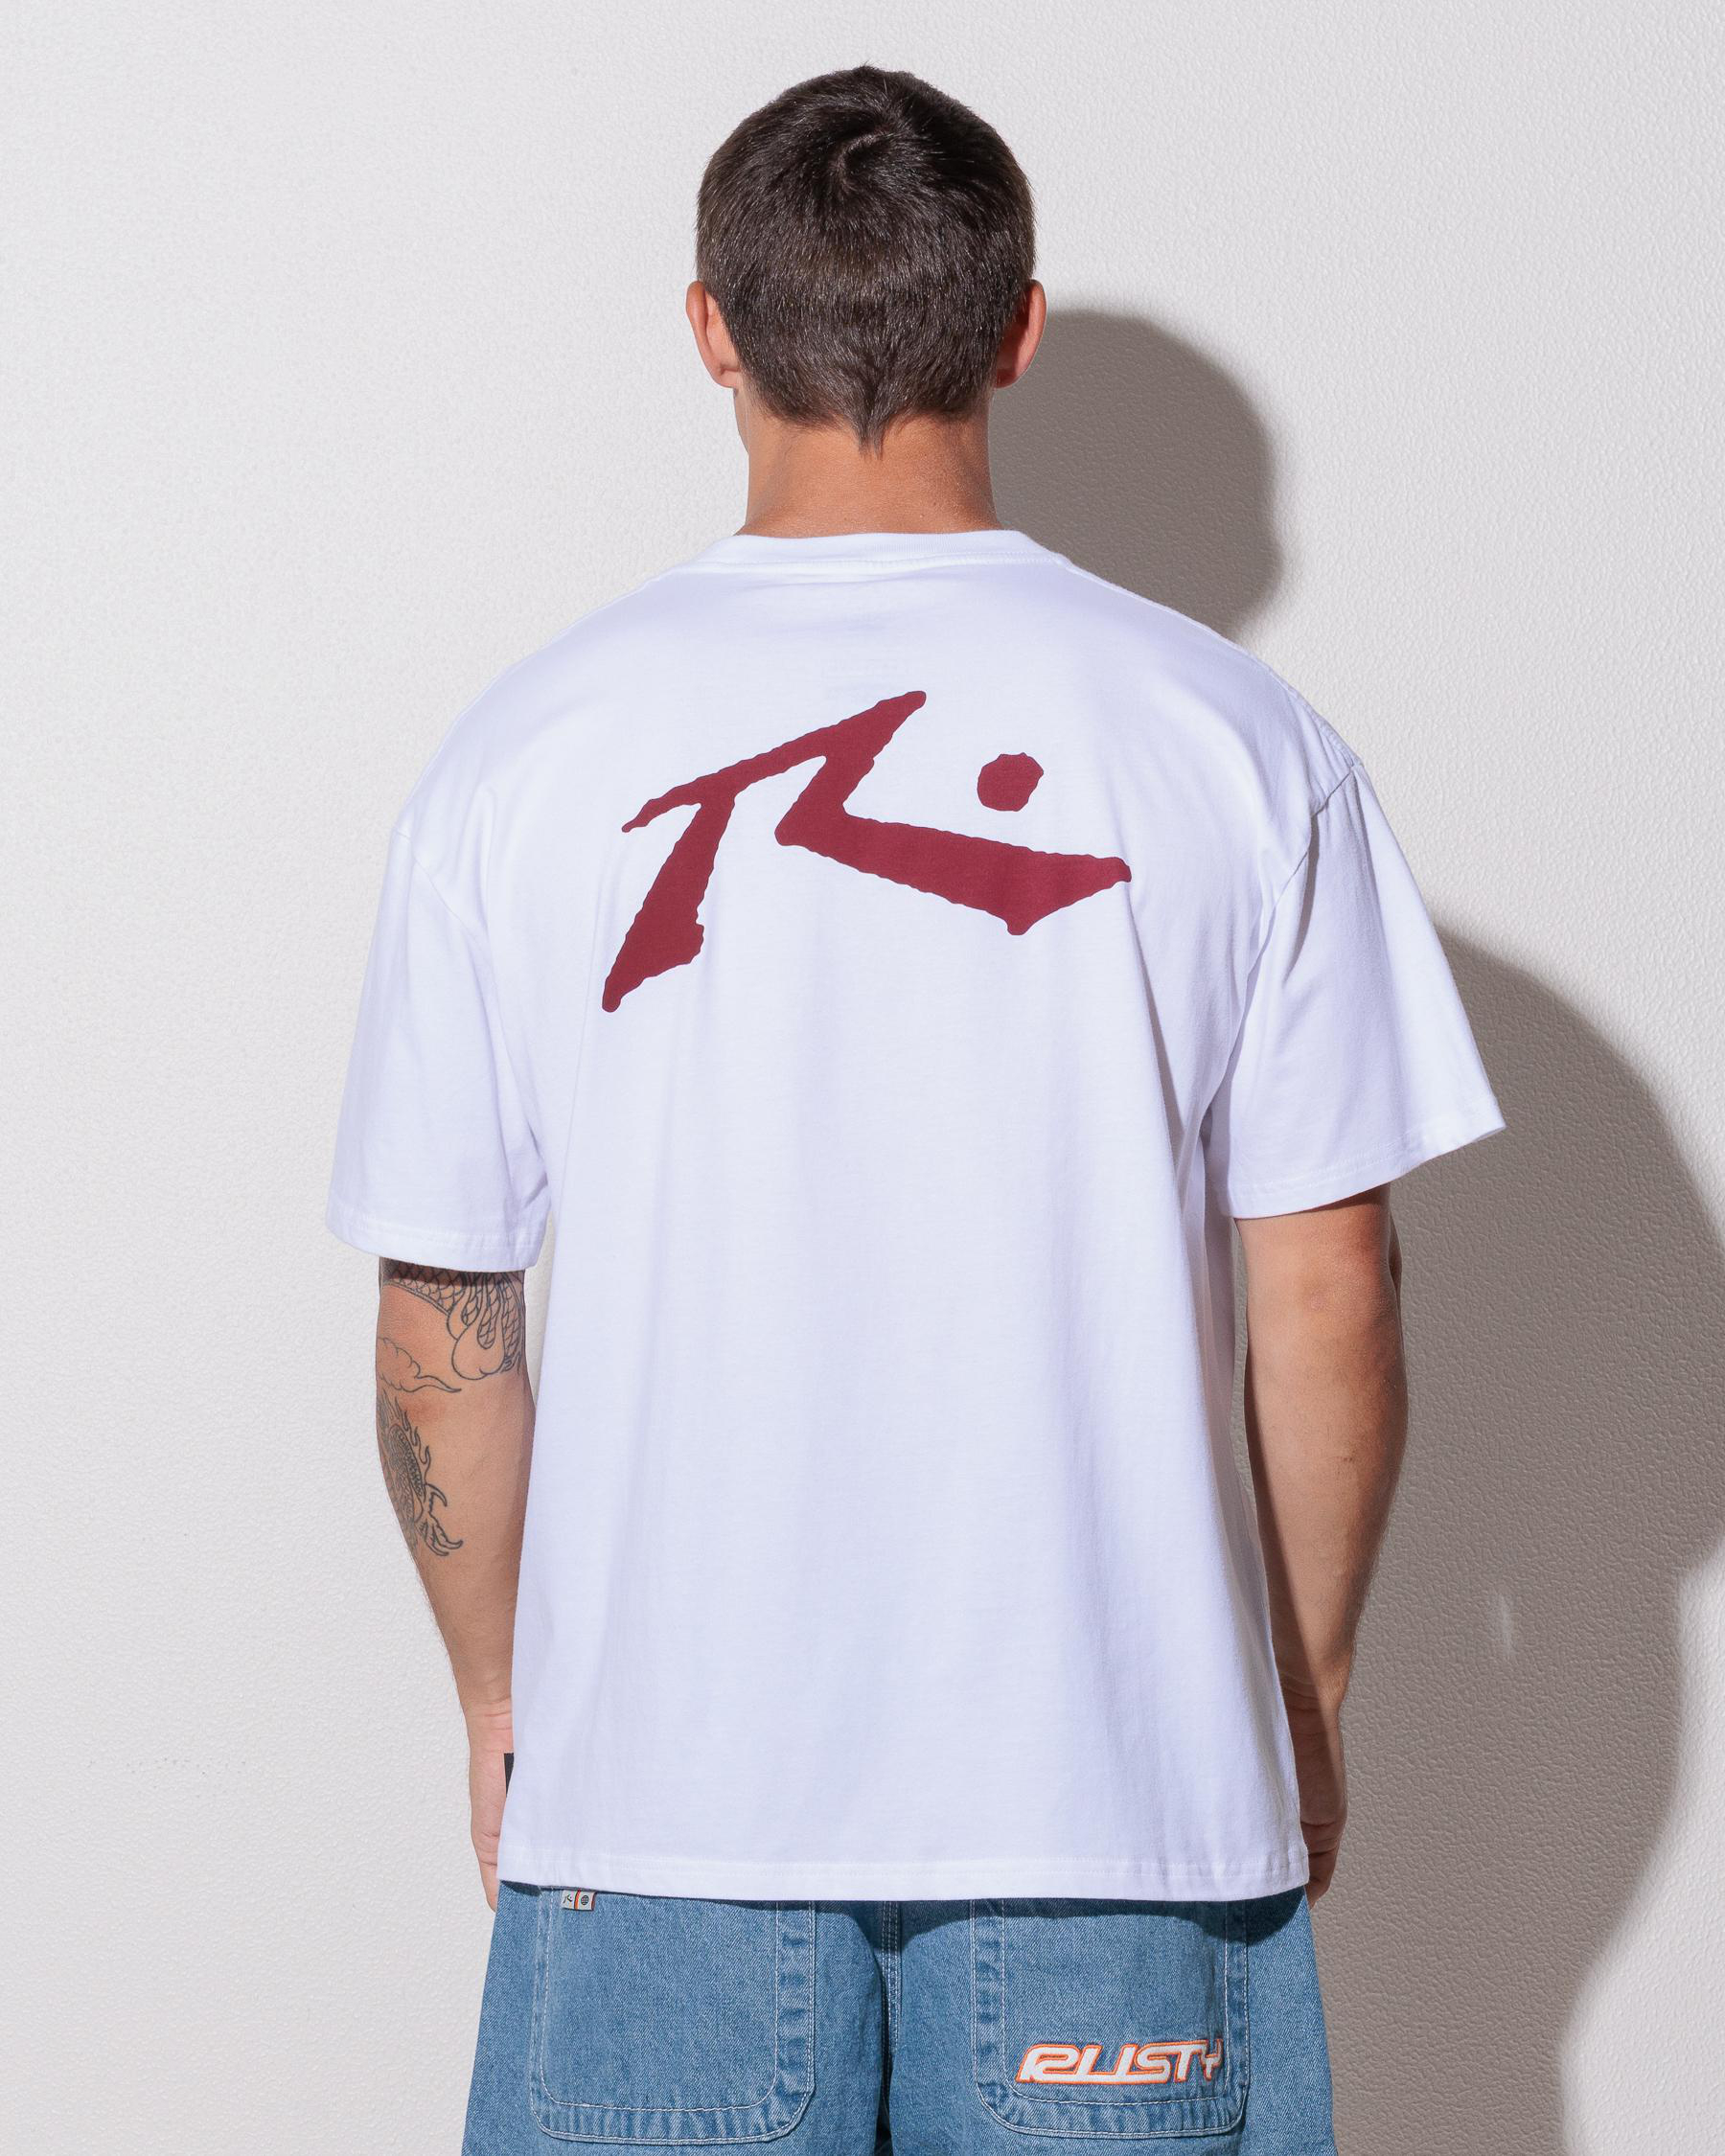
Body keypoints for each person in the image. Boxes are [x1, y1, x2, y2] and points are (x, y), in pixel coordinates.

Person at [329, 65, 1502, 2156]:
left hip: (657, 1818)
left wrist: (505, 1702)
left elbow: (448, 1319)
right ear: (1015, 330)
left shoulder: (517, 762)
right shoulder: (1238, 745)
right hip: (1119, 1810)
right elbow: (1333, 1287)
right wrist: (1295, 1697)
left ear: (710, 329)